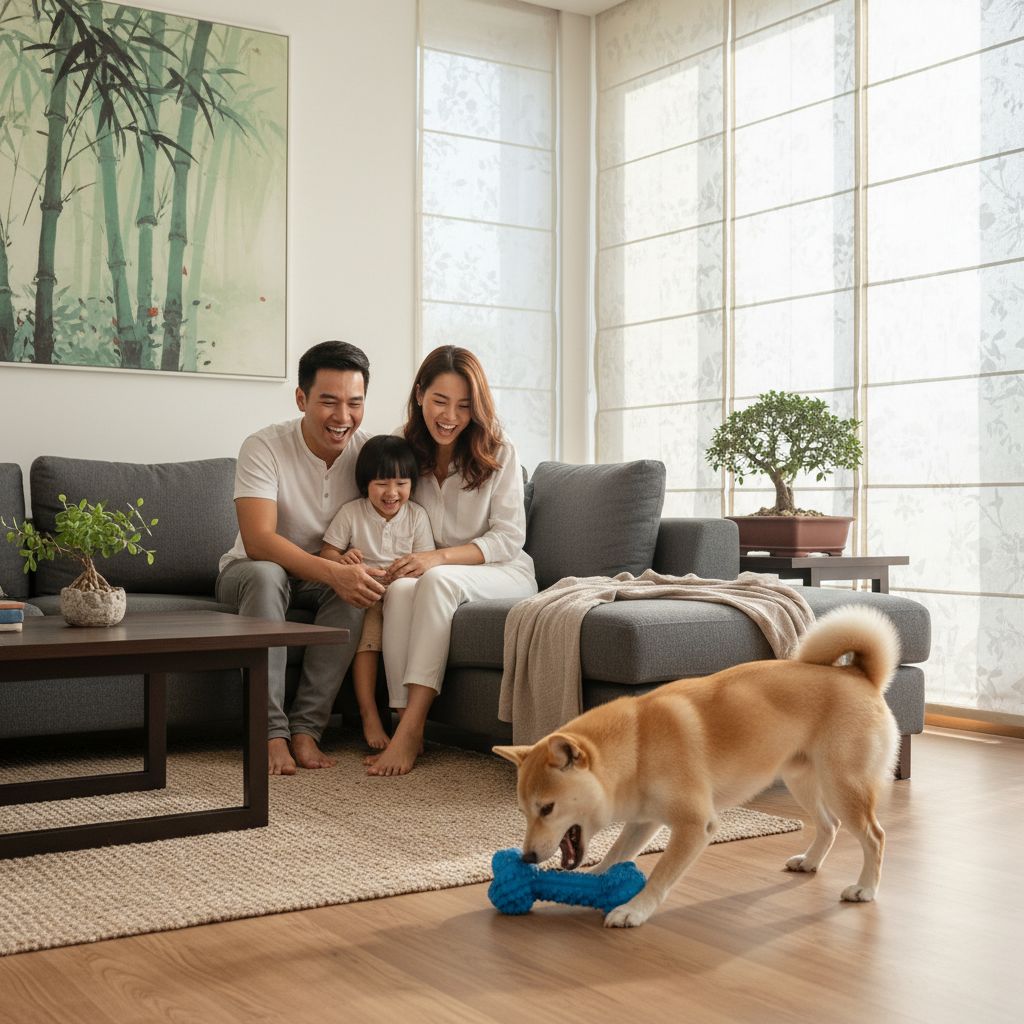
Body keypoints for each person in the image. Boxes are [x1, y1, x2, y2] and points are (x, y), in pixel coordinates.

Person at [365, 345, 538, 777]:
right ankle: (402, 718)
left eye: (464, 406)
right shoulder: (404, 450)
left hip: (502, 570)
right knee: (401, 590)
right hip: (431, 574)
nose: (450, 416)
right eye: (440, 401)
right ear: (420, 393)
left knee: (434, 581)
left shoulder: (499, 451)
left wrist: (437, 558)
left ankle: (411, 730)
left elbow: (509, 538)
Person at [216, 341, 387, 776]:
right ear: (301, 398)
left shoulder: (370, 454)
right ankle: (270, 731)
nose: (342, 417)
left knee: (356, 587)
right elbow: (258, 541)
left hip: (321, 577)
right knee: (267, 574)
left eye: (355, 403)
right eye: (328, 401)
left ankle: (308, 729)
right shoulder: (264, 446)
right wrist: (336, 572)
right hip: (249, 573)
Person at [319, 435, 435, 750]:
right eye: (382, 483)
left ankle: (408, 719)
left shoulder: (416, 516)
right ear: (365, 484)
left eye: (401, 483)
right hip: (367, 593)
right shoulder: (352, 513)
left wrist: (411, 568)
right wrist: (342, 561)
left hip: (404, 596)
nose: (392, 493)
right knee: (367, 640)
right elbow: (327, 553)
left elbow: (426, 563)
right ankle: (369, 713)